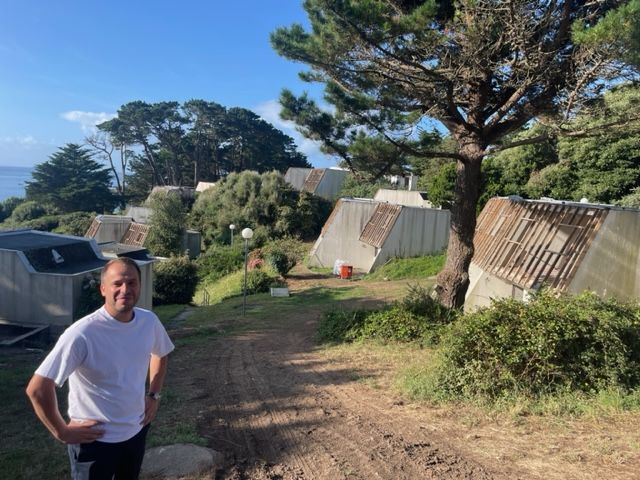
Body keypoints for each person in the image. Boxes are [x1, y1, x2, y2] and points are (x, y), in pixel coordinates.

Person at [26, 257, 174, 480]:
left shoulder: (148, 322)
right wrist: (62, 431)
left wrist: (153, 395)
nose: (125, 289)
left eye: (132, 283)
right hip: (94, 443)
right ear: (103, 289)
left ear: (140, 286)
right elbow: (38, 388)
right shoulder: (82, 334)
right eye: (117, 283)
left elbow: (160, 353)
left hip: (136, 432)